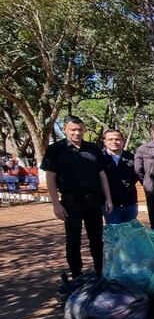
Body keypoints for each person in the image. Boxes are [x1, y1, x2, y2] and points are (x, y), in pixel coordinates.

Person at [41, 116, 113, 278]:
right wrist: (56, 204)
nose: (77, 133)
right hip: (71, 201)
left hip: (94, 200)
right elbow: (50, 177)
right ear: (65, 129)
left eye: (80, 129)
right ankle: (76, 273)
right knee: (73, 239)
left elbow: (102, 175)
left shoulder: (93, 149)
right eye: (73, 129)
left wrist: (108, 198)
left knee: (96, 239)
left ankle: (101, 271)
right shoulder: (55, 150)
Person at [102, 129, 139, 224]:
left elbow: (136, 177)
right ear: (105, 141)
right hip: (110, 204)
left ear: (123, 141)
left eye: (117, 139)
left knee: (130, 234)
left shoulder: (132, 157)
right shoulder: (99, 158)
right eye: (110, 139)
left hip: (130, 203)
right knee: (114, 235)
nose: (114, 142)